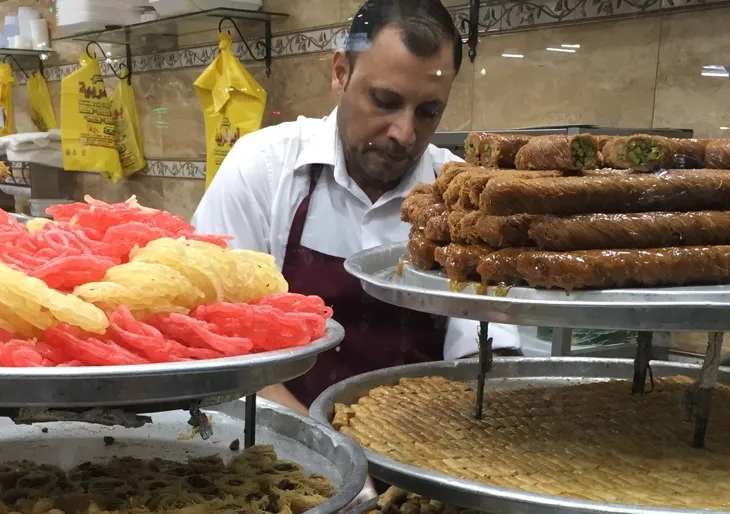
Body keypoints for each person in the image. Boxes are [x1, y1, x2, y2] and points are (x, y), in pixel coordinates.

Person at [191, 0, 520, 415]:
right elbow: (220, 346)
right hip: (284, 441)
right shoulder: (262, 168)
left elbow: (485, 356)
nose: (404, 133)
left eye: (428, 112)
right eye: (385, 100)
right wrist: (323, 444)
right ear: (341, 71)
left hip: (425, 438)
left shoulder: (461, 198)